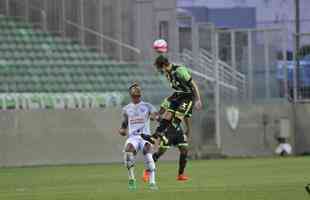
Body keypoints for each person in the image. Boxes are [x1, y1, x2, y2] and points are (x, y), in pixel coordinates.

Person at [141, 55, 202, 178]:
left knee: (177, 118)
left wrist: (198, 99)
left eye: (160, 69)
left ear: (163, 65)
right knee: (168, 115)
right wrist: (158, 114)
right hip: (178, 96)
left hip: (187, 96)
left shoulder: (179, 71)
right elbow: (163, 111)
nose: (160, 72)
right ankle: (155, 137)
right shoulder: (168, 75)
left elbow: (193, 84)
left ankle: (163, 137)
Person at [119, 82, 158, 190]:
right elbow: (125, 122)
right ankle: (132, 179)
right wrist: (122, 129)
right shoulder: (126, 108)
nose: (136, 96)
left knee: (148, 154)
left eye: (138, 94)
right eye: (134, 94)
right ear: (131, 95)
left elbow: (155, 114)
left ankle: (152, 182)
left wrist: (154, 116)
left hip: (145, 136)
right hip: (133, 137)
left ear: (140, 95)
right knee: (128, 153)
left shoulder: (147, 106)